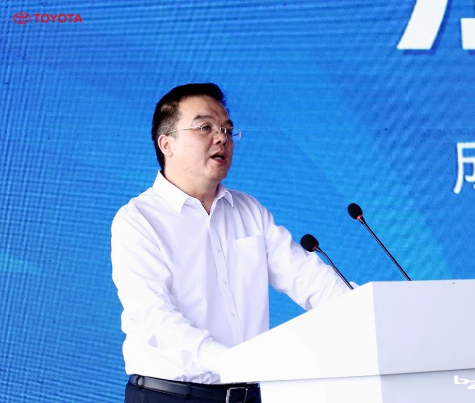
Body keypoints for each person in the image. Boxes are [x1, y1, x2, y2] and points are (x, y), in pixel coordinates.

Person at [111, 83, 351, 403]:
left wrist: (363, 308)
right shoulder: (138, 219)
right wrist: (227, 360)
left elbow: (308, 278)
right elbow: (154, 316)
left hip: (248, 396)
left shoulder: (248, 211)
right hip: (170, 396)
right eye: (205, 127)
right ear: (167, 143)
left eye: (227, 129)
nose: (221, 137)